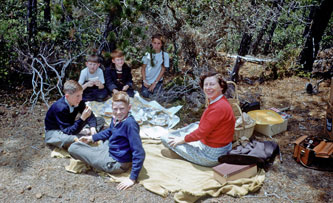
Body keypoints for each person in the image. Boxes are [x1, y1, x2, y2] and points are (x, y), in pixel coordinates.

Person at [68, 91, 145, 190]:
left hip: (117, 162)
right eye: (115, 109)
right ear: (112, 107)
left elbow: (139, 152)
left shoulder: (130, 124)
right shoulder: (117, 118)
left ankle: (96, 154)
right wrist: (91, 138)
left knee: (73, 147)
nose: (118, 112)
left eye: (122, 109)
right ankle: (95, 151)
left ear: (129, 108)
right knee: (104, 137)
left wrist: (132, 178)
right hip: (112, 149)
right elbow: (110, 131)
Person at [161, 70, 235, 167]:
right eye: (206, 85)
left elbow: (201, 133)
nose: (208, 88)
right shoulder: (221, 101)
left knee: (165, 138)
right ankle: (184, 151)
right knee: (195, 125)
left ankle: (183, 155)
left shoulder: (218, 108)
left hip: (211, 155)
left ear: (221, 86)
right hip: (223, 147)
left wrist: (183, 140)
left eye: (212, 84)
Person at [44, 80, 105, 149]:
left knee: (100, 120)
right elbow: (67, 131)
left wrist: (93, 127)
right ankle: (81, 138)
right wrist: (82, 119)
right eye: (77, 96)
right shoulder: (60, 108)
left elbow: (90, 115)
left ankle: (85, 136)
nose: (81, 98)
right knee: (70, 139)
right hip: (56, 131)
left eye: (81, 94)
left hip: (70, 127)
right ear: (67, 96)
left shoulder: (79, 101)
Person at [141, 34, 169, 98]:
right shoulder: (147, 54)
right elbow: (143, 68)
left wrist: (154, 83)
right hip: (147, 80)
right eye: (154, 43)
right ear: (152, 43)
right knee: (145, 94)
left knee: (157, 96)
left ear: (161, 44)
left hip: (157, 81)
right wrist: (144, 81)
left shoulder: (165, 55)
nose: (156, 45)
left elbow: (163, 70)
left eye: (158, 43)